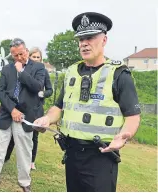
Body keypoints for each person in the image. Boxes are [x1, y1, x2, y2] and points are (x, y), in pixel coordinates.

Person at [34, 12, 141, 192]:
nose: (84, 43)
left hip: (101, 156)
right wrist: (47, 118)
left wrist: (124, 136)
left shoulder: (119, 74)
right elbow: (59, 107)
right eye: (81, 39)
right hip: (72, 154)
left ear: (104, 40)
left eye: (90, 37)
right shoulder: (71, 72)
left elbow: (133, 116)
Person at [0, 38, 45, 192]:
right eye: (15, 55)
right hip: (7, 114)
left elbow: (37, 87)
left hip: (26, 116)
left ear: (26, 51)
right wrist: (12, 110)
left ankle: (24, 181)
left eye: (21, 54)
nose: (19, 58)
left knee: (24, 151)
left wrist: (21, 71)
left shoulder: (39, 67)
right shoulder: (7, 69)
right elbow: (0, 91)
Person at [5, 47, 53, 170]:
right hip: (22, 107)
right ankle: (6, 156)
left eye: (38, 57)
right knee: (14, 134)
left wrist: (43, 94)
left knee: (34, 136)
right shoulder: (23, 70)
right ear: (29, 57)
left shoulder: (44, 71)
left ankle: (31, 161)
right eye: (34, 57)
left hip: (36, 108)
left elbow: (49, 90)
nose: (36, 59)